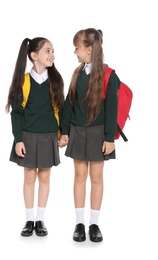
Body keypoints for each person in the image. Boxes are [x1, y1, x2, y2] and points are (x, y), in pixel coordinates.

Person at [59, 28, 120, 242]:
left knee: (96, 178)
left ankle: (94, 224)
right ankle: (79, 223)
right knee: (79, 176)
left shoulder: (108, 75)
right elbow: (69, 104)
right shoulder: (77, 73)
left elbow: (112, 108)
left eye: (77, 48)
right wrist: (64, 131)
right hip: (77, 130)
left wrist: (109, 138)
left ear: (90, 49)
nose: (75, 52)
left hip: (98, 133)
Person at [5, 37, 64, 237]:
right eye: (47, 51)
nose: (52, 55)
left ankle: (40, 219)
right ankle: (29, 220)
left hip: (48, 135)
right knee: (29, 176)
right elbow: (17, 113)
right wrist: (18, 139)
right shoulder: (24, 81)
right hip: (28, 136)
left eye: (53, 50)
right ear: (34, 55)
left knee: (45, 177)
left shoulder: (55, 80)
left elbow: (61, 109)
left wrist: (63, 133)